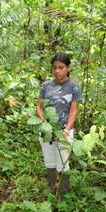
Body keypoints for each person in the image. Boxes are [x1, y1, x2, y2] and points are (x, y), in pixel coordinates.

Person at [36, 52, 82, 199]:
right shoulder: (46, 86)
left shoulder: (74, 87)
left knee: (63, 163)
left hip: (64, 131)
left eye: (61, 67)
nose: (57, 71)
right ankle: (51, 189)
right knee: (49, 161)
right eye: (54, 67)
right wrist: (45, 124)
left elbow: (74, 110)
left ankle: (63, 195)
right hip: (46, 130)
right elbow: (39, 107)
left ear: (68, 68)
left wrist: (66, 130)